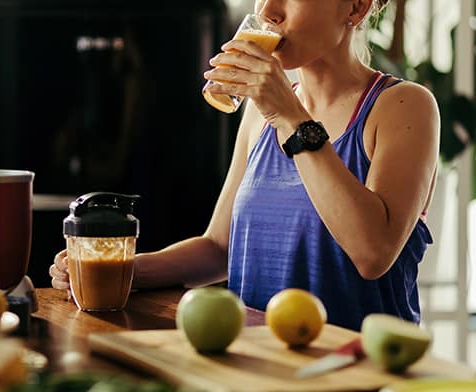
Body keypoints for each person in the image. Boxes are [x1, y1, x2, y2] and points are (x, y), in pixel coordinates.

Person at [49, 0, 440, 332]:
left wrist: (290, 118)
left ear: (356, 7)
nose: (269, 11)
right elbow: (219, 248)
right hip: (259, 367)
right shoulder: (260, 114)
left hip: (357, 371)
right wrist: (115, 270)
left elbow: (372, 254)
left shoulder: (404, 107)